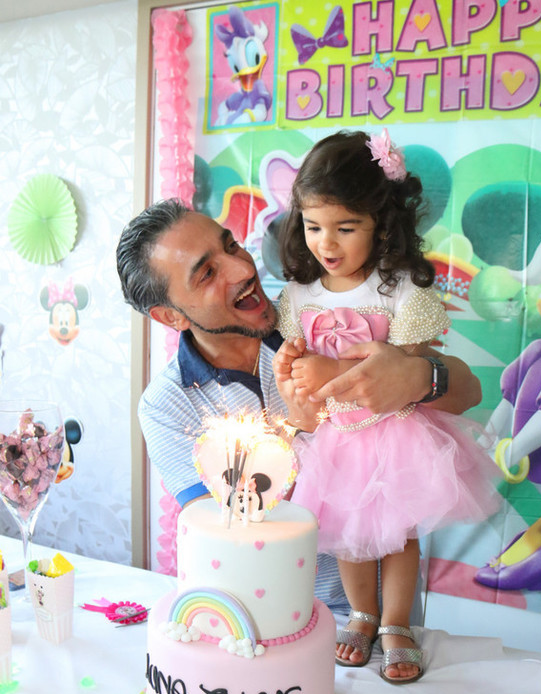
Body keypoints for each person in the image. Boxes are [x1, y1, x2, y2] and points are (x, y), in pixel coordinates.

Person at [115, 198, 482, 621]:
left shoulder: (314, 317)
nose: (243, 269)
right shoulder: (167, 406)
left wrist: (417, 378)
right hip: (264, 619)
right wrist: (298, 429)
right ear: (170, 316)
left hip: (386, 619)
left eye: (231, 245)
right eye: (208, 273)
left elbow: (469, 392)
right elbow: (230, 531)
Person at [274, 129, 500, 684]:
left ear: (380, 223)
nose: (326, 243)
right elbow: (299, 374)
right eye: (313, 226)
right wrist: (294, 369)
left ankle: (397, 622)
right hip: (337, 438)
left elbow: (406, 370)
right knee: (349, 537)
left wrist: (334, 372)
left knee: (400, 536)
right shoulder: (299, 296)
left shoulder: (398, 290)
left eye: (345, 227)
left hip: (396, 433)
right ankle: (362, 614)